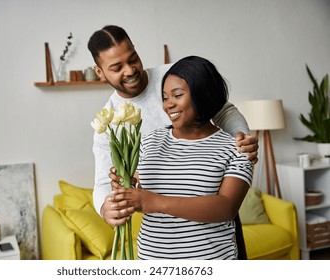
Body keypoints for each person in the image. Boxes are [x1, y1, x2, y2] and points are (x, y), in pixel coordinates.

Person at [87, 25, 258, 226]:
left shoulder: (172, 75)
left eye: (133, 58)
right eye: (117, 68)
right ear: (100, 72)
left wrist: (241, 137)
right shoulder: (108, 121)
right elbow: (103, 183)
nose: (130, 70)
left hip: (210, 214)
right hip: (161, 227)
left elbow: (223, 110)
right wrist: (104, 208)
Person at [109, 55, 253, 259]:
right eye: (165, 97)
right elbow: (142, 191)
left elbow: (226, 207)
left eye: (177, 95)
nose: (169, 105)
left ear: (203, 94)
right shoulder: (150, 141)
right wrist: (126, 184)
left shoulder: (236, 148)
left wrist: (156, 202)